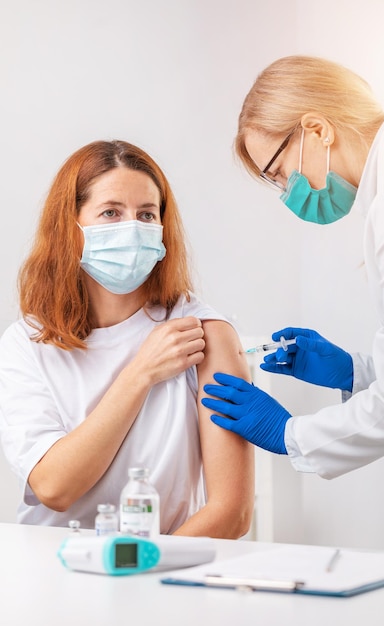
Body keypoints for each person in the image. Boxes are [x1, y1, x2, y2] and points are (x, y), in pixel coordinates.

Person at [0, 140, 254, 535]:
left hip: (160, 576)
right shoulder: (27, 343)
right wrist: (141, 373)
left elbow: (231, 513)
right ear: (71, 227)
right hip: (50, 571)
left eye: (147, 214)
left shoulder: (202, 335)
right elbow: (54, 487)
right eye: (111, 212)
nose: (132, 228)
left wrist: (141, 568)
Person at [201, 55, 384, 479]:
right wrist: (355, 372)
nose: (287, 193)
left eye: (280, 174)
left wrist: (288, 434)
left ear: (318, 129)